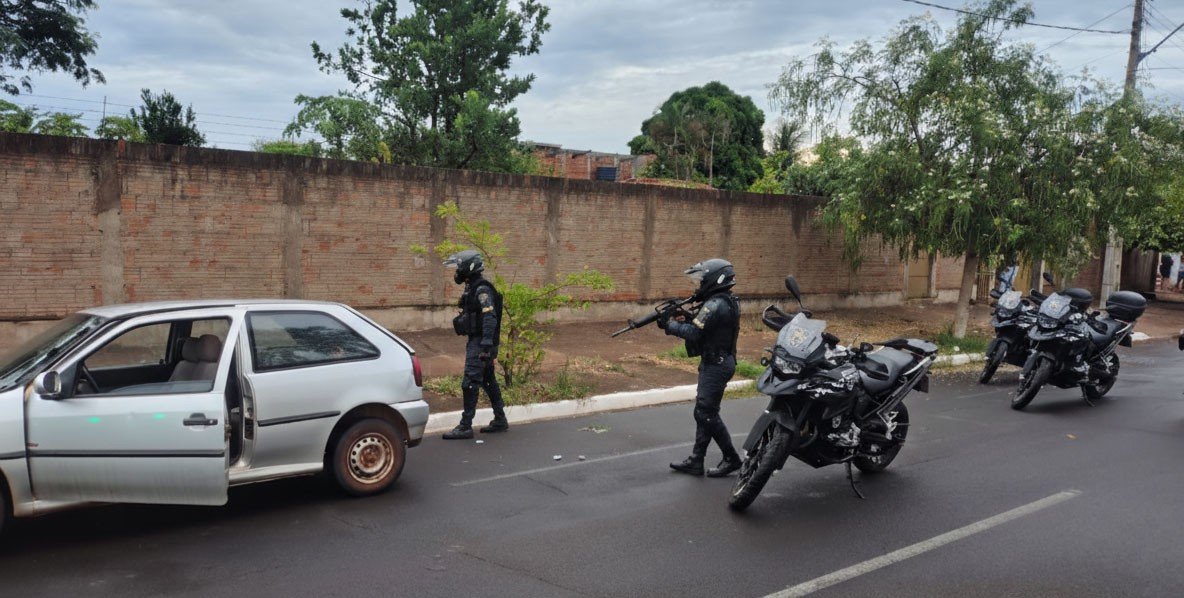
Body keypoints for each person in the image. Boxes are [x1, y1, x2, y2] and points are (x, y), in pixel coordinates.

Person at [660, 258, 743, 477]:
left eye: (702, 280)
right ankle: (697, 460)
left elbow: (695, 333)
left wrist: (670, 325)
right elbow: (708, 328)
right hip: (718, 362)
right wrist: (686, 317)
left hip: (717, 364)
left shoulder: (714, 304)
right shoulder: (727, 301)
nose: (699, 285)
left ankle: (732, 457)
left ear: (716, 280)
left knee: (705, 412)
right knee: (706, 412)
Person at [441, 250, 508, 440]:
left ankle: (465, 426)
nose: (457, 272)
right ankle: (500, 419)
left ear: (469, 267)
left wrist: (486, 344)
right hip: (479, 341)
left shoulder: (482, 290)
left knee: (470, 382)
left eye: (459, 267)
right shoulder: (472, 287)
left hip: (481, 342)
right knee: (488, 380)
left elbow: (489, 317)